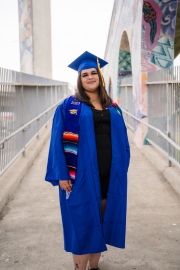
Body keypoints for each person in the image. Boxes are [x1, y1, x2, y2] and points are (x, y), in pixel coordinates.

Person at [45, 51, 130, 270]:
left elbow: (123, 141)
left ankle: (95, 267)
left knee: (100, 221)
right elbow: (56, 142)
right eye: (85, 74)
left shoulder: (113, 107)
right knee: (82, 223)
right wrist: (61, 173)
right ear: (79, 79)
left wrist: (122, 168)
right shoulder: (68, 107)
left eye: (94, 73)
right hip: (80, 176)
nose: (90, 77)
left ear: (100, 77)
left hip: (109, 175)